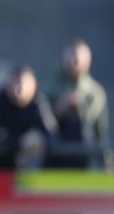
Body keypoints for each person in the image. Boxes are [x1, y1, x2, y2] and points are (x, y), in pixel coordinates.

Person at [44, 39, 109, 169]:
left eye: (78, 58)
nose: (74, 63)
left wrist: (105, 162)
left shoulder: (95, 93)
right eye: (71, 56)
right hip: (53, 157)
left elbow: (100, 132)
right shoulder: (50, 86)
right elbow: (40, 119)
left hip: (83, 158)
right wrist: (59, 107)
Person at [0, 65, 57, 170]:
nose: (18, 88)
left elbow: (53, 134)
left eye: (23, 83)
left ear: (34, 85)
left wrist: (39, 140)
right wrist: (20, 142)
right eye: (15, 82)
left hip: (28, 169)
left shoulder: (39, 102)